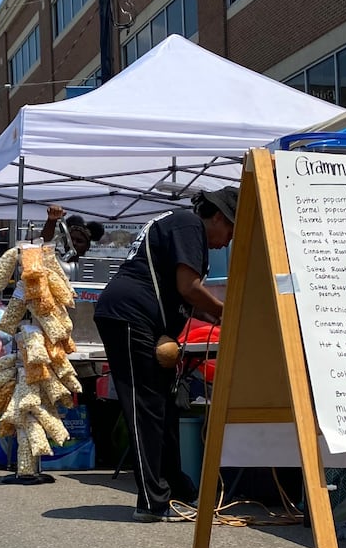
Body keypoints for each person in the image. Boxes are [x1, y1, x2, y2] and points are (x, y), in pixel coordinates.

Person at [94, 188, 237, 522]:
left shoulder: (181, 224)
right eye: (230, 232)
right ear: (218, 216)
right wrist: (226, 314)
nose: (227, 242)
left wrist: (213, 315)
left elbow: (184, 296)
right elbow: (189, 288)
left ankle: (175, 487)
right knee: (146, 404)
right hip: (129, 314)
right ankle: (151, 501)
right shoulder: (189, 224)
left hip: (140, 317)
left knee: (164, 402)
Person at [41, 204, 96, 277]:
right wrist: (51, 221)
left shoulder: (92, 267)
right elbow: (44, 245)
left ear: (88, 246)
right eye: (71, 239)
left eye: (79, 241)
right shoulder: (55, 261)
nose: (74, 243)